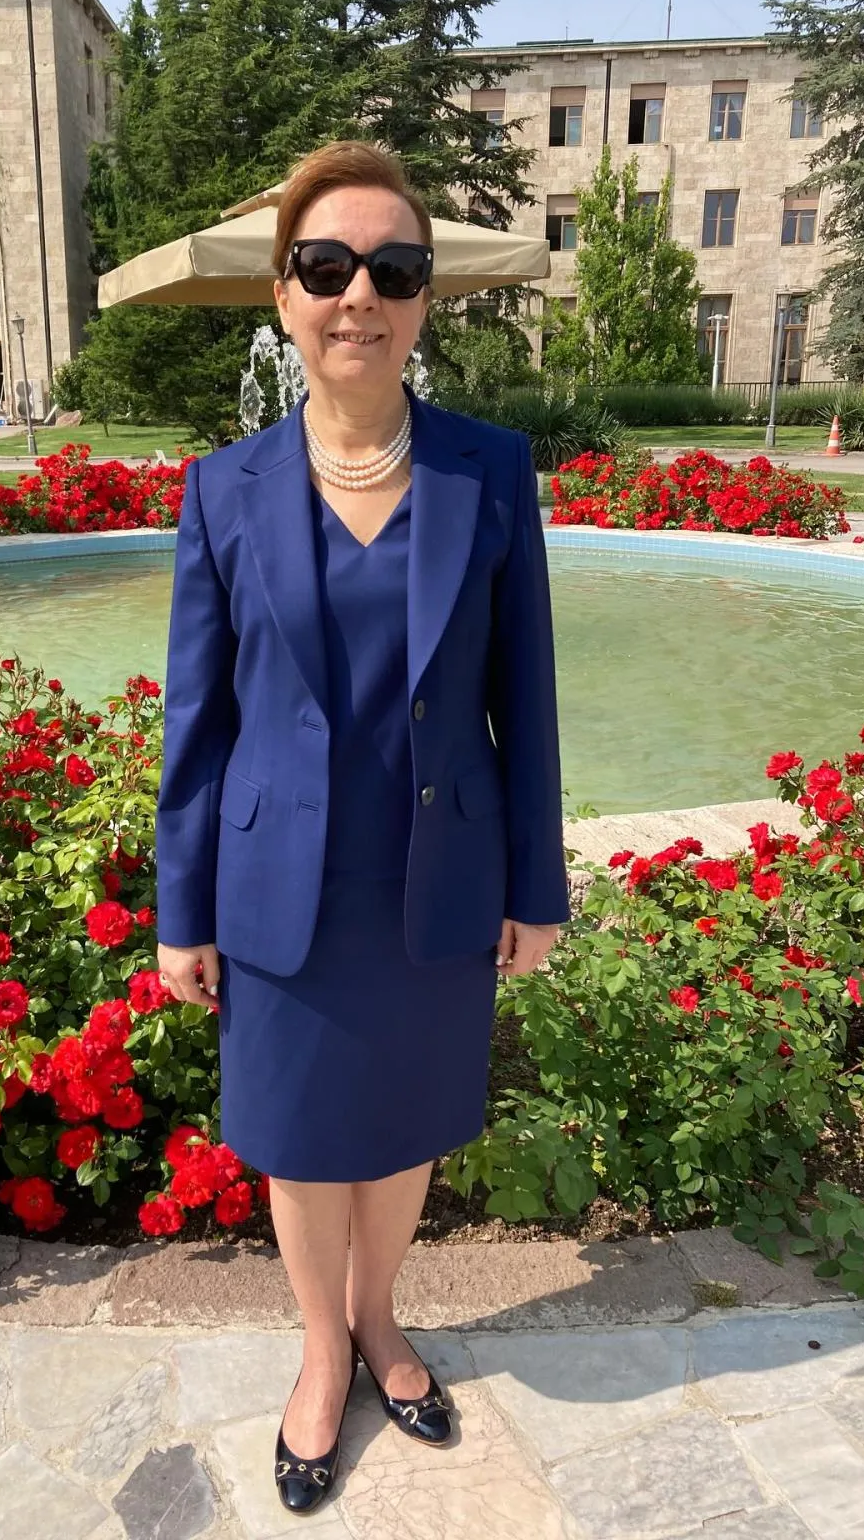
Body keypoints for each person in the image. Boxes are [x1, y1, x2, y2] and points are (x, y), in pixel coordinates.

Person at [155, 139, 569, 1516]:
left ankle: (380, 1314)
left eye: (394, 269)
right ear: (284, 293)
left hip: (438, 874)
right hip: (279, 879)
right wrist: (180, 911)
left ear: (424, 296)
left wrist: (538, 884)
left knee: (400, 1128)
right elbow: (199, 722)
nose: (360, 296)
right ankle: (322, 1351)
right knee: (299, 1136)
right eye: (327, 266)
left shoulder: (489, 472)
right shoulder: (224, 489)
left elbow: (526, 696)